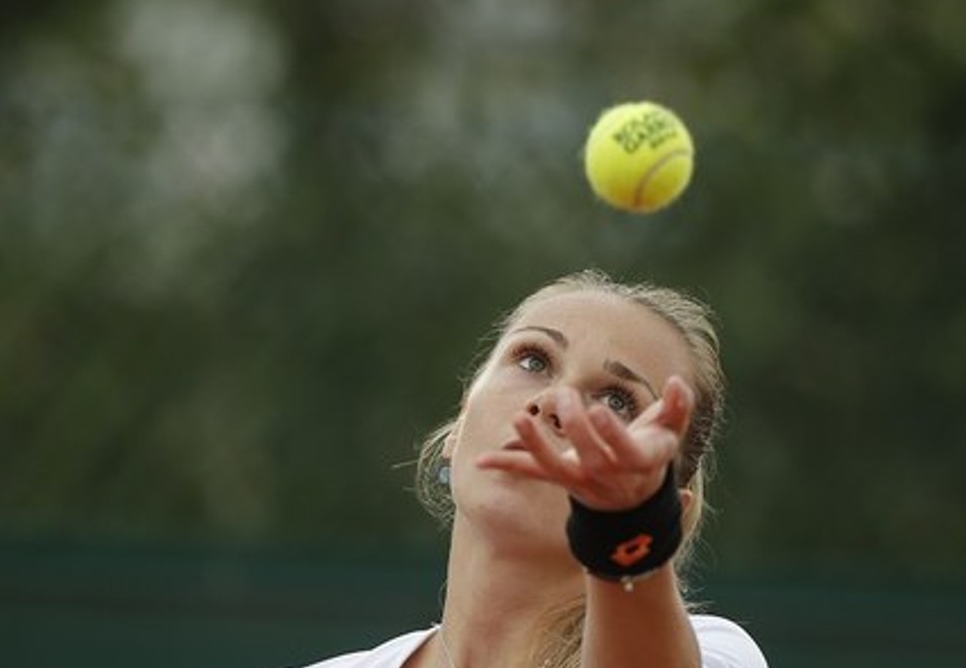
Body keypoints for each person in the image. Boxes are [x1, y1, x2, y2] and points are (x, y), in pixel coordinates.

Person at [296, 269, 768, 668]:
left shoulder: (718, 655)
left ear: (665, 504)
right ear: (459, 425)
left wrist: (622, 525)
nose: (554, 403)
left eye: (617, 401)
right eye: (533, 359)